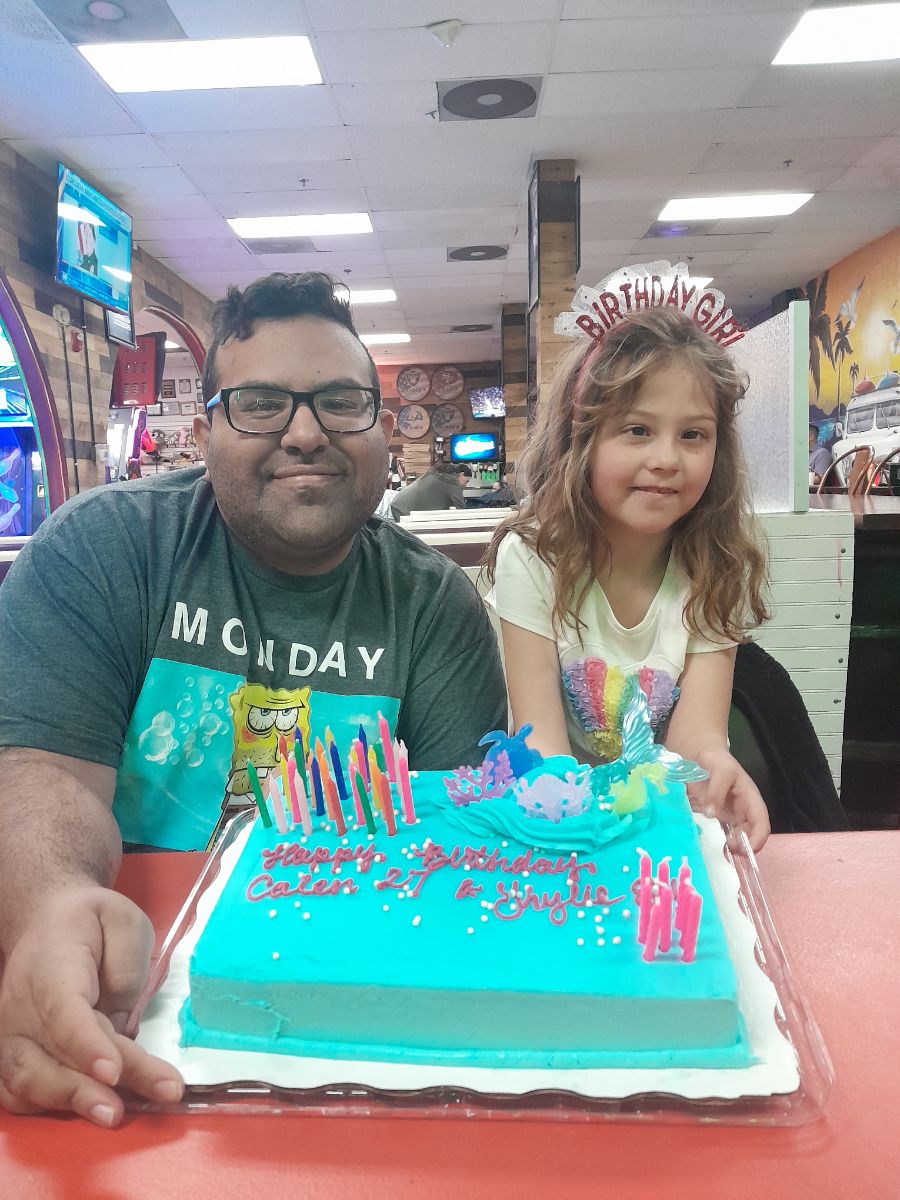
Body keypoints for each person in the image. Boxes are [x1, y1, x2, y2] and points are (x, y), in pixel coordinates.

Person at [0, 271, 507, 1126]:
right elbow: (41, 777)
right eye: (261, 404)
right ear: (204, 436)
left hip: (348, 1023)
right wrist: (50, 904)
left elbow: (451, 845)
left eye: (340, 402)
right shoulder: (103, 549)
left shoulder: (434, 607)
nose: (305, 433)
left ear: (384, 433)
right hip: (117, 1006)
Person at [485, 307, 772, 854]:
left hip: (654, 828)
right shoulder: (531, 558)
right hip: (559, 830)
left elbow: (696, 738)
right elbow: (541, 744)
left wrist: (713, 767)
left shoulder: (717, 565)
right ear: (581, 439)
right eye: (637, 430)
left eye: (693, 434)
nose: (666, 458)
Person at [390, 462, 472, 519]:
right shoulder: (452, 481)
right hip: (405, 509)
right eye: (466, 481)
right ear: (461, 474)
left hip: (400, 503)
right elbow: (461, 508)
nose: (465, 485)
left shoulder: (441, 474)